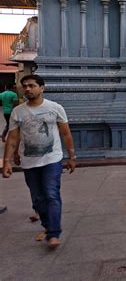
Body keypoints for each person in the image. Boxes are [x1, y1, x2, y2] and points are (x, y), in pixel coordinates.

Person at [2, 74, 76, 249]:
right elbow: (12, 138)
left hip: (52, 159)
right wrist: (7, 161)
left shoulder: (55, 108)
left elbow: (66, 133)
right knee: (37, 199)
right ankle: (48, 226)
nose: (28, 89)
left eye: (32, 85)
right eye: (25, 86)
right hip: (29, 161)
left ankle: (53, 233)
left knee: (51, 194)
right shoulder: (18, 112)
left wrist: (72, 157)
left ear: (42, 88)